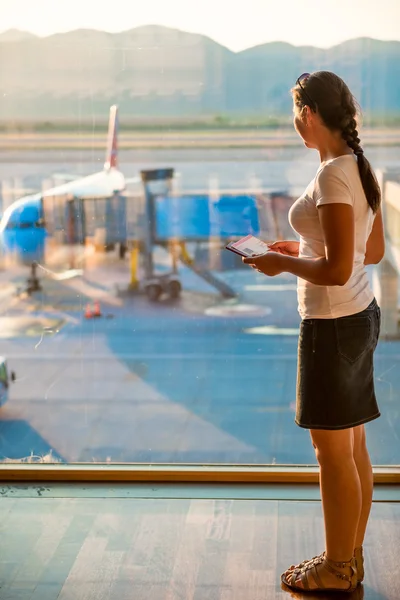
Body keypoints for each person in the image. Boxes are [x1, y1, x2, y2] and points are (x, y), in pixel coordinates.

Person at [243, 71, 385, 593]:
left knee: (332, 455)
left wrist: (284, 267)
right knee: (353, 449)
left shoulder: (331, 176)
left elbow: (337, 267)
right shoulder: (357, 167)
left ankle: (337, 567)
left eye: (295, 113)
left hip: (332, 324)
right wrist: (297, 248)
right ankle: (348, 556)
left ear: (308, 114)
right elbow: (370, 253)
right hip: (360, 315)